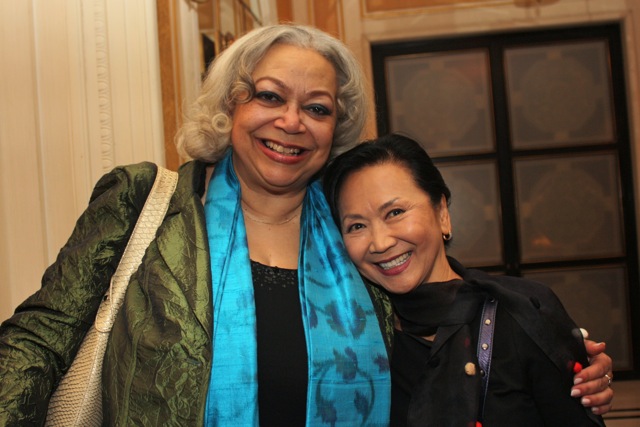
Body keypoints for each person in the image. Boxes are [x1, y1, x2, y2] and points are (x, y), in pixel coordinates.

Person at [0, 24, 612, 426]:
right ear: (230, 105)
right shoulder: (144, 200)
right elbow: (39, 339)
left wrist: (561, 345)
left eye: (316, 108)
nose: (291, 122)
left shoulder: (350, 228)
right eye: (269, 96)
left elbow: (441, 298)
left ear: (335, 128)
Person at [323, 133, 612, 426]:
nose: (380, 242)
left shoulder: (523, 313)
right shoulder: (357, 336)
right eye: (356, 225)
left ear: (442, 212)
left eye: (395, 212)